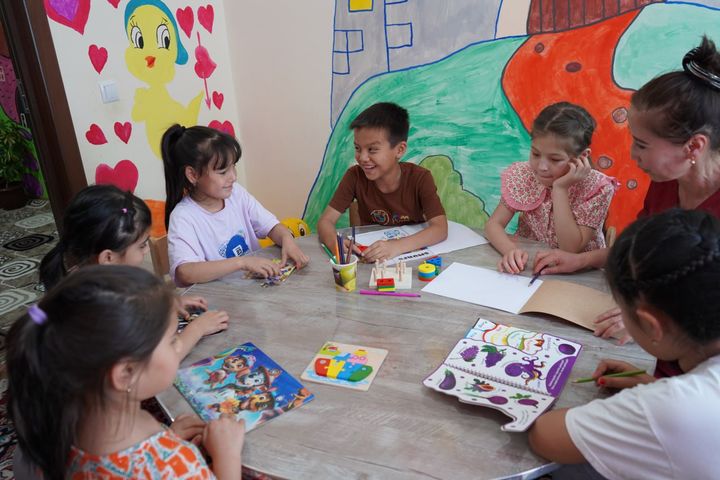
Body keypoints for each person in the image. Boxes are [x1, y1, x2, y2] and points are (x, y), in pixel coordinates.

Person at [533, 36, 720, 344]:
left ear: (694, 146)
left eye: (642, 145)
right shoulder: (664, 183)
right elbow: (641, 251)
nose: (633, 156)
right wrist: (582, 260)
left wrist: (653, 320)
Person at [528, 209, 720, 480]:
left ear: (652, 326)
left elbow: (545, 436)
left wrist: (645, 403)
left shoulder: (675, 408)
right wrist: (651, 386)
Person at [7, 266, 246, 479]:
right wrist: (227, 456)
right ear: (125, 374)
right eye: (172, 340)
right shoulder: (174, 466)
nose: (178, 344)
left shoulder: (59, 419)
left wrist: (169, 436)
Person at [38, 184, 227, 357]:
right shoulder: (103, 312)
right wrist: (197, 329)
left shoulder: (89, 277)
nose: (146, 250)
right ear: (108, 258)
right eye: (142, 245)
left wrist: (167, 302)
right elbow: (161, 360)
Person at [162, 125, 309, 286]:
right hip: (220, 298)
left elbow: (271, 226)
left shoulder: (236, 194)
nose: (233, 177)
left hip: (256, 291)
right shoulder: (183, 217)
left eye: (234, 167)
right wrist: (242, 262)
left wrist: (287, 239)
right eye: (223, 172)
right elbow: (185, 272)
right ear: (193, 175)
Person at [484, 102, 617, 274]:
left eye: (555, 159)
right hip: (531, 267)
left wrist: (559, 189)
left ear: (582, 156)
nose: (542, 167)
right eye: (535, 154)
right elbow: (493, 224)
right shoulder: (523, 174)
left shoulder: (598, 188)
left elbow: (570, 249)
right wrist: (510, 250)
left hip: (578, 275)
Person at [316, 102, 448, 263]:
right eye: (357, 148)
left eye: (372, 149)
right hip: (371, 261)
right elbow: (325, 221)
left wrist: (396, 246)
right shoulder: (354, 176)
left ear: (399, 150)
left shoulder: (420, 178)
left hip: (411, 261)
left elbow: (440, 228)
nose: (362, 157)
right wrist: (334, 244)